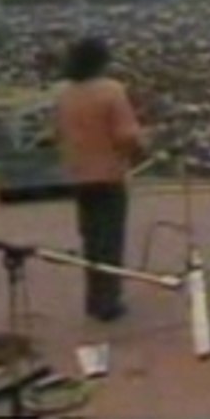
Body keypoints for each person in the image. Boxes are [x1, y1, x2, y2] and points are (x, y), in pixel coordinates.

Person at [55, 37, 145, 322]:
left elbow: (58, 131)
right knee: (110, 238)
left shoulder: (64, 93)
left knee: (91, 238)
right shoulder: (111, 91)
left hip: (78, 174)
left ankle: (93, 299)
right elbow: (126, 136)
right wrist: (140, 150)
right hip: (108, 173)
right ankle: (108, 301)